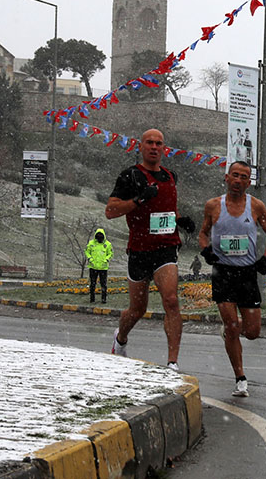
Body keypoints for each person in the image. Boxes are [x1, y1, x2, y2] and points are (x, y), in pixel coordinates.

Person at [104, 128, 196, 371]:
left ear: (164, 148)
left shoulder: (170, 176)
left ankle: (172, 362)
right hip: (139, 250)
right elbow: (110, 211)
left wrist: (180, 220)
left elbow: (166, 210)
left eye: (159, 143)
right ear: (141, 147)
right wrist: (138, 200)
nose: (154, 147)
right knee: (137, 310)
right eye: (150, 143)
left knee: (171, 300)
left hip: (166, 248)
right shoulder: (130, 176)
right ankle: (120, 338)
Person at [198, 160, 266, 397]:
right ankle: (240, 378)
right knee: (232, 326)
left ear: (249, 182)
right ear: (226, 177)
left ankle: (230, 331)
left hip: (247, 273)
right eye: (235, 175)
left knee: (252, 331)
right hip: (222, 272)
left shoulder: (256, 206)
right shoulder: (213, 206)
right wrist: (206, 251)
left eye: (244, 177)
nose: (238, 180)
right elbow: (203, 233)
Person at [85, 228, 114, 303]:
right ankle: (92, 299)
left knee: (103, 284)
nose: (99, 237)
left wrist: (106, 260)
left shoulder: (107, 244)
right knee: (92, 284)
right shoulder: (91, 243)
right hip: (93, 267)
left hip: (103, 267)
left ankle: (103, 299)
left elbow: (110, 254)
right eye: (98, 236)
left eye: (101, 236)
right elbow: (87, 252)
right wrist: (90, 259)